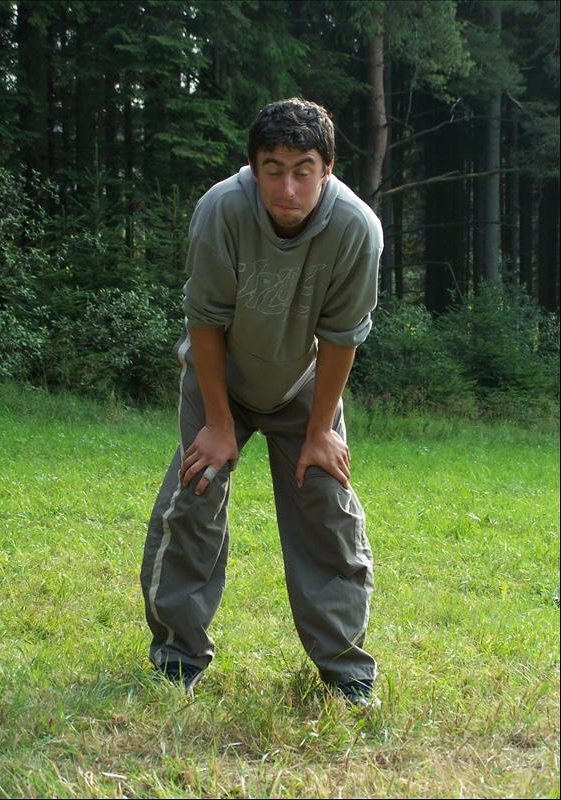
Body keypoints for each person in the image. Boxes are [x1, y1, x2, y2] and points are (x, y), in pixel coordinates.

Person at [140, 98, 383, 707]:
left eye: (303, 170)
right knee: (195, 495)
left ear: (328, 169)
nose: (287, 187)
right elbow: (204, 321)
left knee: (326, 505)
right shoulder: (221, 210)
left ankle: (346, 671)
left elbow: (343, 336)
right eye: (273, 169)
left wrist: (321, 431)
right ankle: (177, 659)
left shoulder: (357, 228)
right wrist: (218, 425)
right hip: (220, 377)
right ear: (253, 169)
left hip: (305, 385)